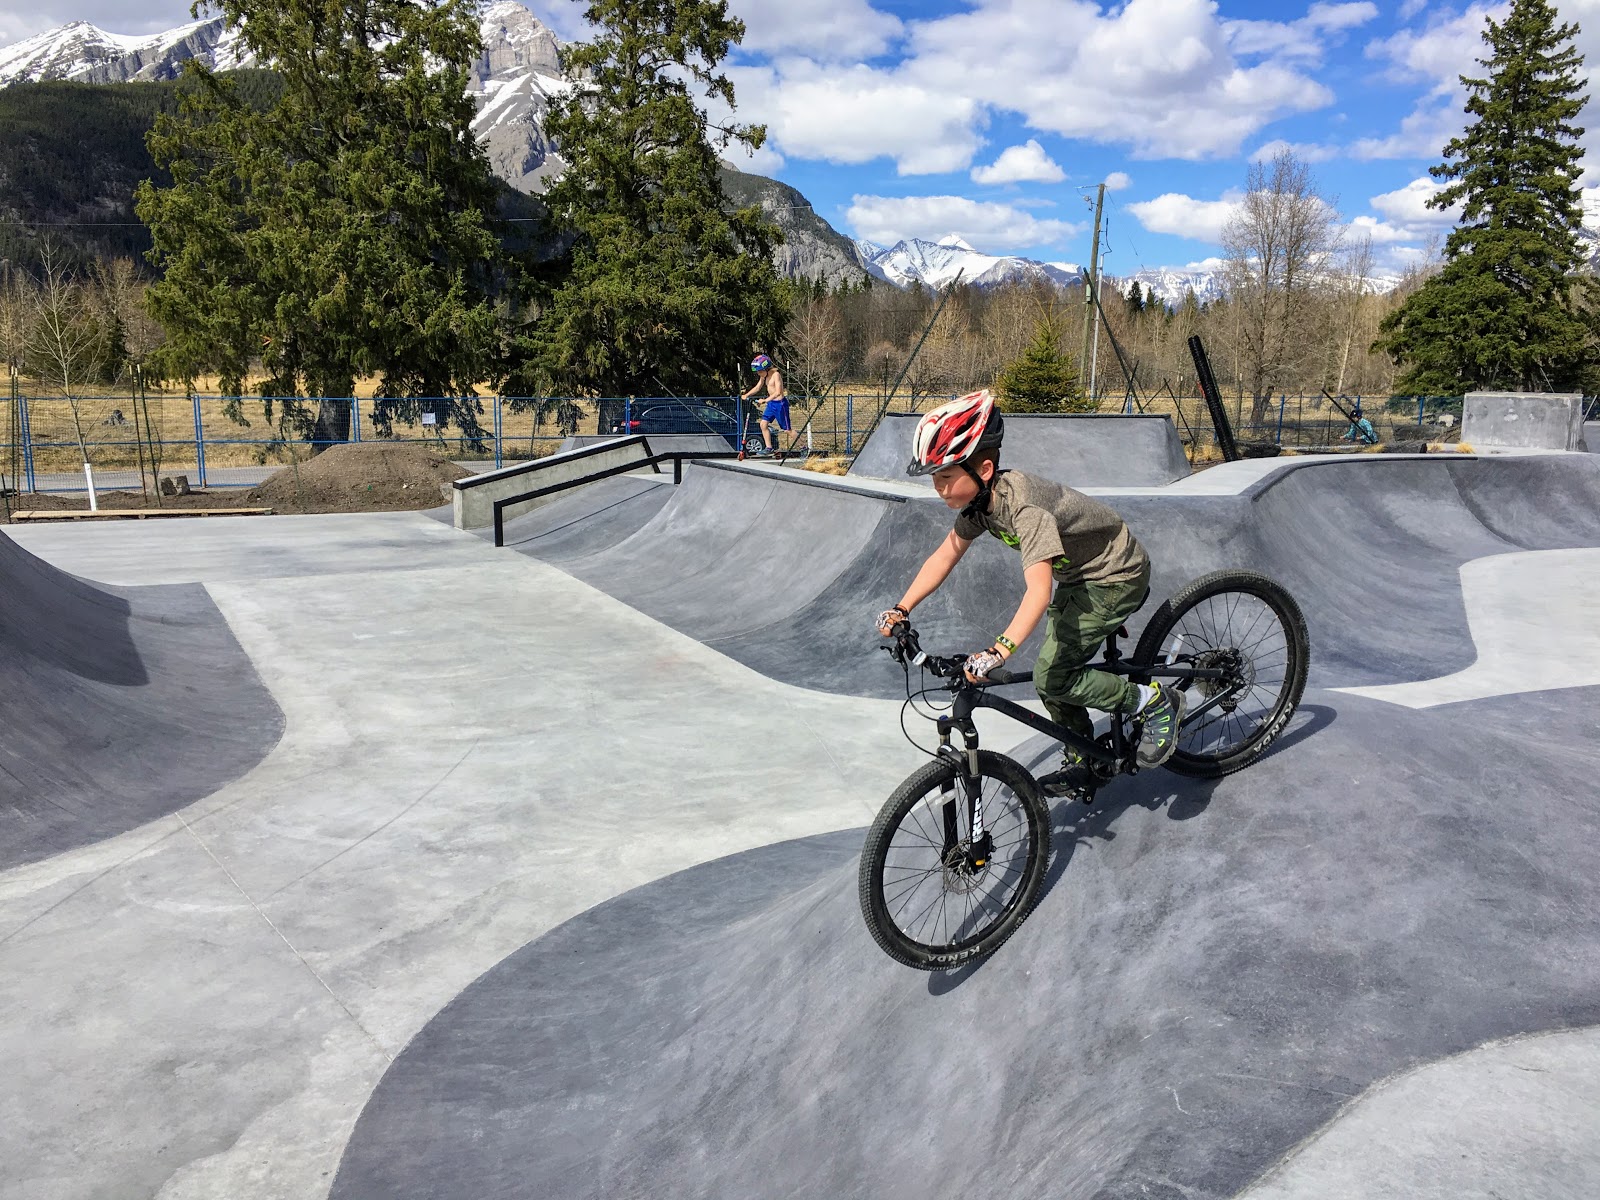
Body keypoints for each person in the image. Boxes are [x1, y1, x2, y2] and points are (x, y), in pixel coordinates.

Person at [875, 390, 1184, 794]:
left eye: (946, 477)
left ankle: (1156, 702)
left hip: (1114, 574)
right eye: (934, 478)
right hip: (1079, 575)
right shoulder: (982, 505)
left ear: (984, 469)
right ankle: (1086, 753)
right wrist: (902, 607)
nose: (939, 488)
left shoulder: (1025, 509)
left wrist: (997, 651)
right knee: (1052, 674)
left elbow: (1038, 592)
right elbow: (945, 555)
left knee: (1052, 675)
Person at [740, 354, 789, 456]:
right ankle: (769, 448)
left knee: (787, 430)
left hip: (780, 404)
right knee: (763, 424)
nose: (758, 373)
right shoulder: (764, 376)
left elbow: (778, 392)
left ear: (766, 368)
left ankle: (804, 447)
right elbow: (758, 387)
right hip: (771, 404)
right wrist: (746, 395)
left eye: (760, 371)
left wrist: (765, 400)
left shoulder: (776, 375)